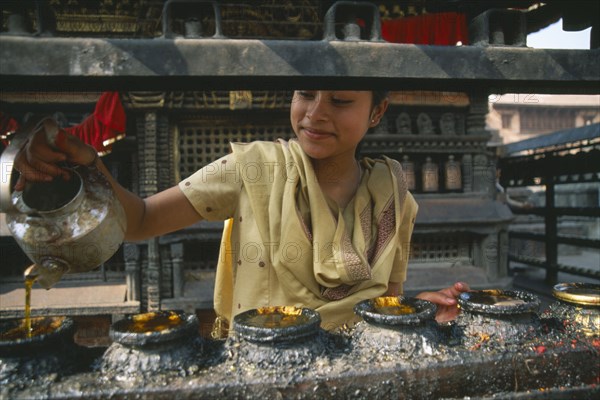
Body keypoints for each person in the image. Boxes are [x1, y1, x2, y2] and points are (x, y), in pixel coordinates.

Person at [14, 90, 469, 333]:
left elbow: (387, 303)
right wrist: (92, 168)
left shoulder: (393, 193)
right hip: (265, 368)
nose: (315, 113)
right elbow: (143, 220)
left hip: (362, 372)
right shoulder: (252, 170)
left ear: (377, 111)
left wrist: (418, 311)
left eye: (341, 101)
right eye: (305, 93)